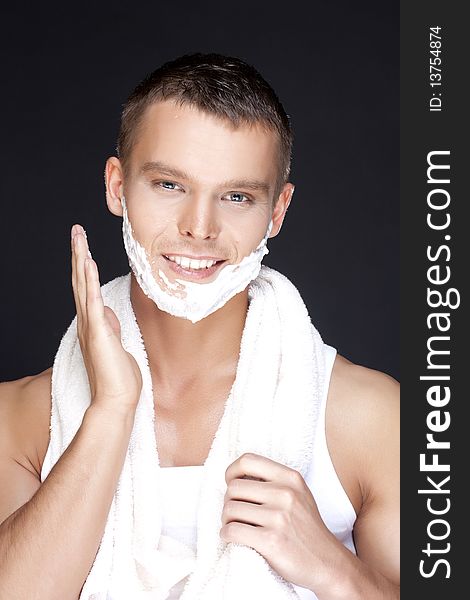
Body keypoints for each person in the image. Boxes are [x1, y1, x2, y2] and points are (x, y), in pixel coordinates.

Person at [0, 53, 399, 599]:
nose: (199, 228)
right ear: (118, 187)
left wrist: (334, 568)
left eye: (237, 196)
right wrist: (111, 409)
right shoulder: (17, 421)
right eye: (169, 185)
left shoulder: (369, 419)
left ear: (277, 212)